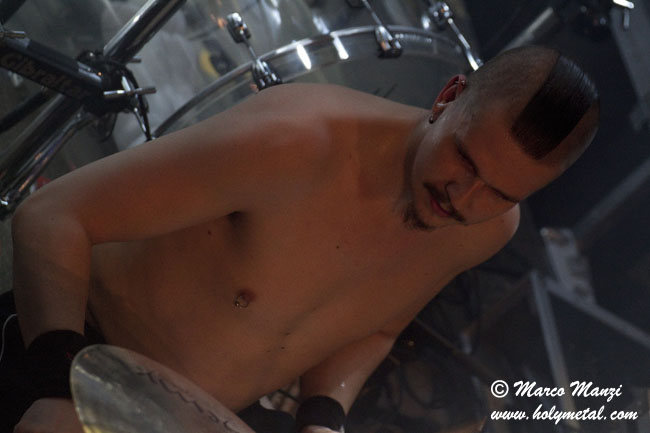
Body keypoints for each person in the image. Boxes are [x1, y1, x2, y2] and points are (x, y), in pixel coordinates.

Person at [2, 45, 599, 433]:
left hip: (206, 416)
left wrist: (323, 418)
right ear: (447, 97)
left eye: (501, 192)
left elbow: (376, 328)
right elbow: (53, 215)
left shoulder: (488, 229)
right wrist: (56, 388)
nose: (465, 199)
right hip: (67, 357)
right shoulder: (295, 143)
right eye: (465, 160)